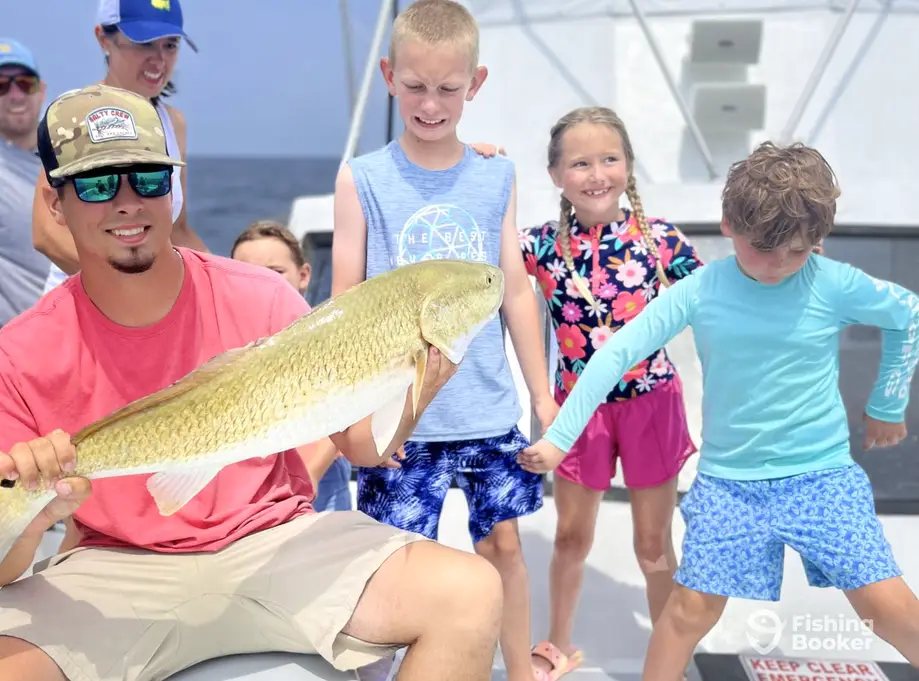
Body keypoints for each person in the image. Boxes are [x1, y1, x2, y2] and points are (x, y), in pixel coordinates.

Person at [0, 83, 504, 681]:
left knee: (470, 593)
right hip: (115, 565)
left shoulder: (262, 295)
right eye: (96, 184)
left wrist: (422, 383)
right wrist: (40, 512)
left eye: (149, 179)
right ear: (56, 203)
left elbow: (362, 446)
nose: (128, 202)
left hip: (274, 542)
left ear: (173, 189)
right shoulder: (18, 352)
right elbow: (5, 566)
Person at [520, 141, 919, 678]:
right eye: (764, 249)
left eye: (797, 251)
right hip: (730, 486)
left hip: (822, 479)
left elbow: (908, 314)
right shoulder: (699, 290)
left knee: (888, 609)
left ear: (817, 241)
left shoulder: (833, 283)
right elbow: (614, 354)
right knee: (688, 611)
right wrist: (559, 439)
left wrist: (888, 405)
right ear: (729, 225)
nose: (779, 265)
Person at [331, 2, 557, 680]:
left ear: (474, 84)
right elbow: (345, 307)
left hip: (487, 412)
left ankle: (520, 673)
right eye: (415, 86)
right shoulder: (360, 179)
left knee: (505, 551)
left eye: (448, 89)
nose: (430, 104)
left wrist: (541, 395)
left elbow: (515, 290)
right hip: (401, 421)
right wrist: (365, 418)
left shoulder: (497, 175)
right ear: (388, 77)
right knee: (393, 565)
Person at [518, 106, 702, 679]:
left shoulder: (662, 239)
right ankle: (558, 644)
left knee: (653, 545)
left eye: (609, 159)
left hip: (652, 405)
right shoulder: (538, 246)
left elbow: (725, 292)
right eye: (580, 164)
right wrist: (479, 166)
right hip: (578, 412)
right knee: (571, 538)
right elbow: (478, 253)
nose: (596, 175)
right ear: (555, 175)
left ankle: (669, 658)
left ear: (628, 166)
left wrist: (792, 262)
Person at [33, 0, 208, 294]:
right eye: (144, 43)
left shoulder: (173, 122)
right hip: (85, 303)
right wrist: (135, 291)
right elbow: (46, 234)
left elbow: (177, 231)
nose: (159, 60)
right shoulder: (74, 117)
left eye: (170, 45)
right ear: (103, 38)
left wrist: (231, 278)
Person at [231, 219, 354, 512]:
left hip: (320, 476)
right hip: (247, 480)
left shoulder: (328, 337)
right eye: (247, 273)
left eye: (275, 272)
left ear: (304, 275)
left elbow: (348, 409)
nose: (262, 282)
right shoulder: (224, 341)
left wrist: (311, 474)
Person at [0, 38, 52, 326]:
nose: (15, 95)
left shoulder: (70, 162)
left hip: (80, 336)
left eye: (25, 83)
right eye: (1, 86)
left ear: (41, 91)